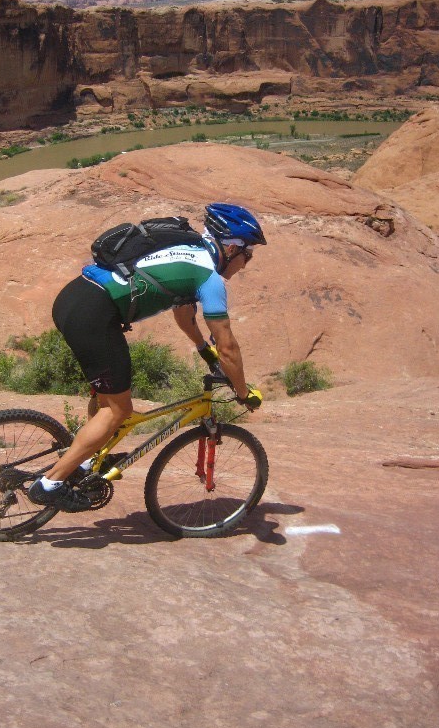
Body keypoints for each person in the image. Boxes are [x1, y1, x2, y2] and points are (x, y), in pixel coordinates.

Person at [28, 202, 267, 512]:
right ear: (233, 248)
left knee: (107, 397)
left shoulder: (190, 248)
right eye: (247, 256)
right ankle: (50, 485)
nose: (246, 264)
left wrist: (200, 349)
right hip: (94, 316)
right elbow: (228, 347)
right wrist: (243, 392)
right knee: (119, 410)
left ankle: (85, 463)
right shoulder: (209, 278)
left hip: (74, 299)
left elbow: (184, 314)